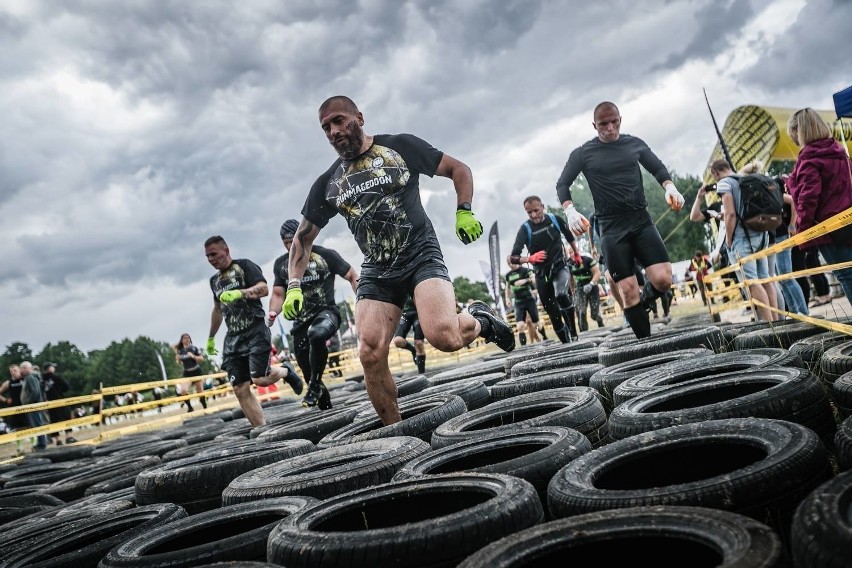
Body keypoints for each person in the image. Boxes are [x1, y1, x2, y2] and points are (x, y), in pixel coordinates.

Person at [282, 95, 514, 426]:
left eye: (337, 121)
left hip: (420, 254)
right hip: (378, 270)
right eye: (325, 128)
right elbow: (303, 238)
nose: (332, 131)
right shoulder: (329, 183)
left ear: (358, 118)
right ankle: (397, 439)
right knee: (369, 353)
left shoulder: (398, 147)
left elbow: (457, 168)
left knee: (443, 337)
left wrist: (464, 210)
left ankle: (481, 321)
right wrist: (293, 285)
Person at [556, 101, 684, 339]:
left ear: (620, 120)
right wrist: (570, 210)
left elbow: (657, 168)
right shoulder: (583, 153)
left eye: (614, 122)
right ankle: (646, 345)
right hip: (611, 228)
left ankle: (641, 305)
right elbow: (562, 183)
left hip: (640, 220)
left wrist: (670, 187)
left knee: (663, 279)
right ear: (595, 125)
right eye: (604, 124)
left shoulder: (634, 144)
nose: (610, 128)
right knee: (627, 291)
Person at [268, 218, 358, 409]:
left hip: (327, 313)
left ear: (303, 237)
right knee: (308, 372)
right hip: (300, 322)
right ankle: (327, 410)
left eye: (293, 241)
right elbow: (277, 293)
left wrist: (363, 299)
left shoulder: (325, 255)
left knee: (316, 334)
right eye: (286, 243)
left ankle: (315, 385)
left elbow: (352, 275)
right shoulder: (282, 265)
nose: (290, 247)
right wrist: (273, 312)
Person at [204, 235, 293, 427]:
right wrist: (211, 337)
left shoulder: (244, 266)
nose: (211, 259)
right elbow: (217, 309)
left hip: (255, 329)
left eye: (213, 254)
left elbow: (264, 289)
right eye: (207, 257)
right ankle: (261, 430)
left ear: (226, 251)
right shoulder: (214, 281)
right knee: (239, 388)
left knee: (259, 379)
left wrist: (240, 293)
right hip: (233, 337)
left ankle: (286, 371)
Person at [786, 107, 852, 305]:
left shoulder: (808, 160)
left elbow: (808, 199)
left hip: (828, 229)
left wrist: (803, 233)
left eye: (793, 134)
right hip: (847, 220)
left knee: (846, 276)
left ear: (799, 131)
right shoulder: (839, 151)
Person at [508, 195, 582, 343]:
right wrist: (530, 259)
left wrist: (577, 253)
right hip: (541, 274)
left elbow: (569, 236)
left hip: (560, 266)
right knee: (553, 314)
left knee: (561, 294)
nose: (534, 215)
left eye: (536, 210)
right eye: (529, 213)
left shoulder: (554, 219)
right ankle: (566, 343)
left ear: (542, 206)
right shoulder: (525, 229)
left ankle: (573, 332)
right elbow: (513, 257)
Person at [711, 159, 777, 321]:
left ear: (715, 173)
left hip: (742, 239)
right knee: (765, 280)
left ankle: (770, 326)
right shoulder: (744, 178)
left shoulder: (724, 183)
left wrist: (728, 240)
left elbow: (730, 213)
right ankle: (776, 321)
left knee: (752, 283)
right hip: (760, 234)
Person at [773, 175, 809, 315]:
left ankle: (803, 311)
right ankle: (794, 312)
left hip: (782, 234)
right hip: (778, 235)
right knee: (782, 279)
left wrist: (792, 225)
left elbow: (794, 201)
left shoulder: (778, 194)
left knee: (786, 277)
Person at [504, 258, 544, 346]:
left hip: (529, 300)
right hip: (518, 302)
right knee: (520, 326)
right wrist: (507, 298)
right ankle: (524, 347)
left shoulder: (525, 270)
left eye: (510, 262)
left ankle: (544, 337)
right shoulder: (508, 275)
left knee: (536, 324)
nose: (510, 264)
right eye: (508, 263)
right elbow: (507, 288)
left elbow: (534, 279)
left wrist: (525, 281)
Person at [41, 363, 76, 445]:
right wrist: (60, 390)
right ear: (49, 368)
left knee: (54, 421)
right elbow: (66, 386)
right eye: (53, 367)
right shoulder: (55, 377)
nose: (54, 368)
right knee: (66, 417)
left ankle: (58, 440)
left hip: (49, 402)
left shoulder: (41, 379)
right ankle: (68, 437)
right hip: (60, 401)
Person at [569, 253, 605, 331]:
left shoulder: (587, 260)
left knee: (594, 315)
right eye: (569, 253)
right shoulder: (569, 264)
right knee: (581, 312)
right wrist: (573, 291)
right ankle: (584, 334)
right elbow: (570, 279)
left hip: (592, 285)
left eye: (572, 252)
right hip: (580, 288)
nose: (571, 255)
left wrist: (591, 284)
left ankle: (600, 322)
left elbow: (597, 273)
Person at [391, 295, 427, 373]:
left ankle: (422, 374)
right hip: (404, 314)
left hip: (418, 312)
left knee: (419, 343)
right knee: (398, 341)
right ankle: (413, 350)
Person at [19, 361, 48, 451]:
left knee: (38, 424)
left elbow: (35, 391)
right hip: (33, 405)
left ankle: (42, 444)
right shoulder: (29, 377)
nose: (22, 370)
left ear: (29, 368)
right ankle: (41, 443)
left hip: (33, 405)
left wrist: (28, 402)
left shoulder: (30, 377)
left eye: (23, 368)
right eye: (21, 368)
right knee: (37, 424)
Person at [174, 333, 207, 412]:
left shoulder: (194, 348)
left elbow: (202, 359)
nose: (187, 339)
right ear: (182, 340)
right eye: (185, 338)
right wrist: (178, 359)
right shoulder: (180, 351)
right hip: (187, 373)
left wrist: (193, 356)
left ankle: (205, 408)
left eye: (188, 338)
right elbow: (179, 362)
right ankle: (190, 407)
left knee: (200, 391)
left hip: (196, 371)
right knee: (183, 390)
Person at [0, 365, 29, 453]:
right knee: (17, 429)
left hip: (26, 407)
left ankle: (34, 446)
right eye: (11, 371)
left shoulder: (25, 379)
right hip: (14, 409)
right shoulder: (8, 382)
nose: (13, 372)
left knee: (30, 427)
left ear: (19, 370)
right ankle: (20, 449)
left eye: (15, 370)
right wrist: (5, 400)